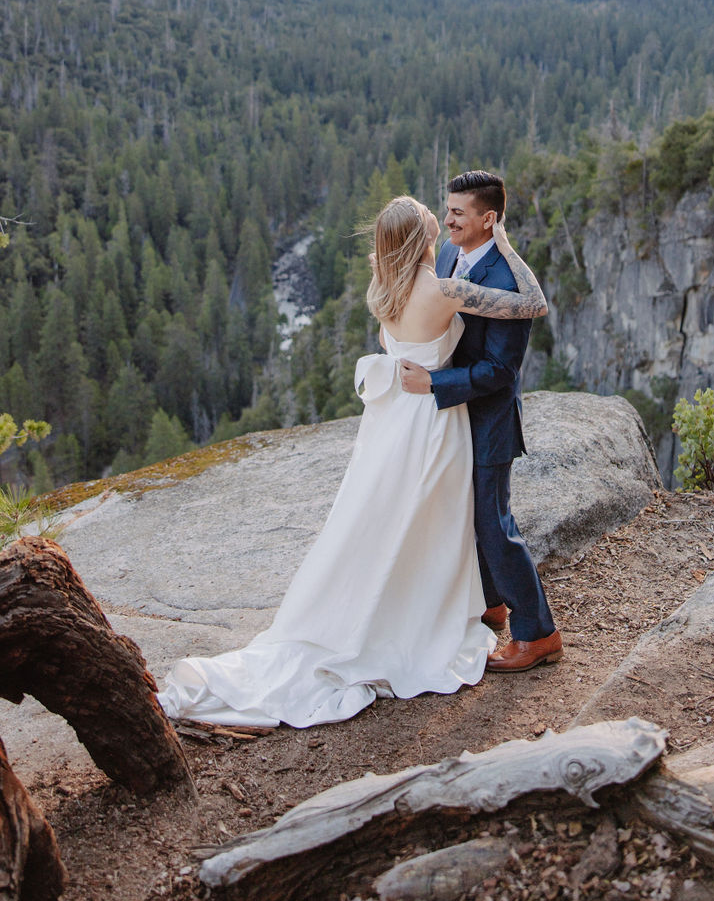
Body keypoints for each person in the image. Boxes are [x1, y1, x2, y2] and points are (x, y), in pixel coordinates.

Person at [157, 194, 548, 728]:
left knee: (385, 513)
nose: (443, 217)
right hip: (432, 420)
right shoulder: (441, 289)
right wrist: (502, 242)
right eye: (434, 218)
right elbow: (530, 302)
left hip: (392, 421)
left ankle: (464, 600)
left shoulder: (383, 285)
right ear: (421, 237)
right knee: (438, 517)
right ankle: (457, 610)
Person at [400, 170, 561, 672]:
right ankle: (490, 603)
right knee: (465, 516)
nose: (447, 220)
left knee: (496, 527)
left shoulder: (507, 279)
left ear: (488, 219)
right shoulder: (448, 255)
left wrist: (435, 385)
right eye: (446, 209)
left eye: (458, 213)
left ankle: (538, 635)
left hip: (488, 419)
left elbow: (500, 370)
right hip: (451, 421)